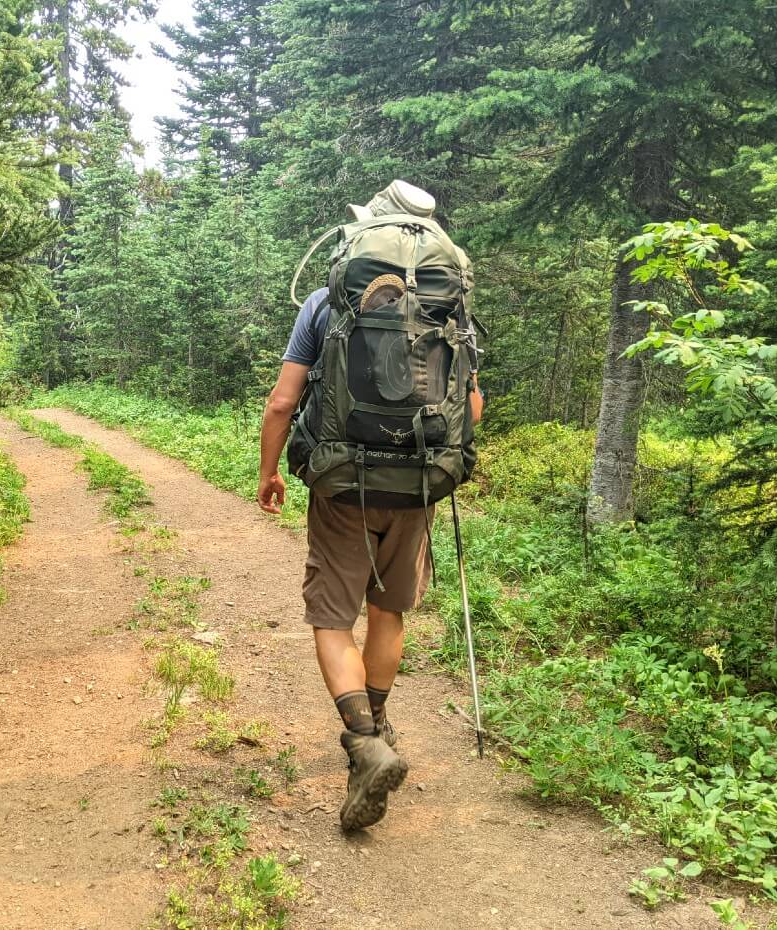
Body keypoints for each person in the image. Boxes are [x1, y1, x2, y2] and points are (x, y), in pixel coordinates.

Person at [257, 181, 483, 831]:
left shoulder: (328, 301)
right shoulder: (449, 308)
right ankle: (379, 720)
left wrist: (270, 472)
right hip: (417, 484)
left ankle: (363, 742)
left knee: (332, 617)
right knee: (389, 610)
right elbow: (470, 407)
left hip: (341, 484)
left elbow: (282, 401)